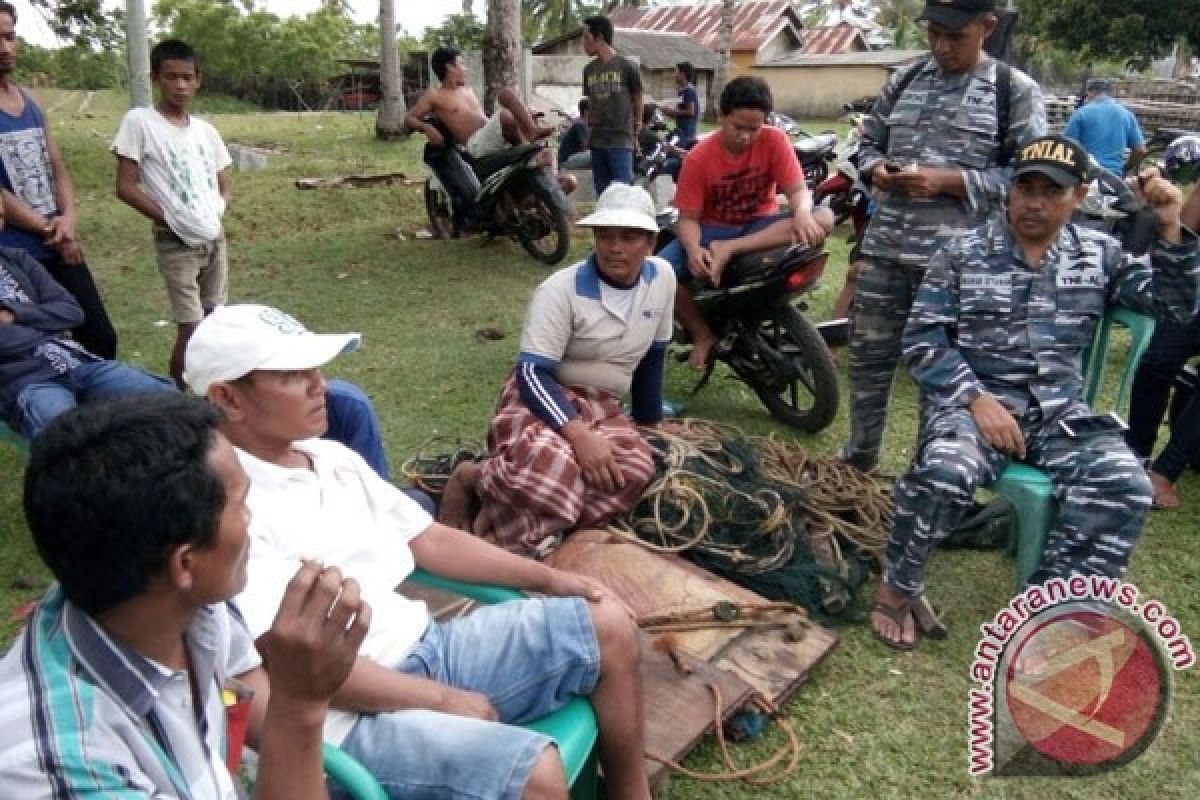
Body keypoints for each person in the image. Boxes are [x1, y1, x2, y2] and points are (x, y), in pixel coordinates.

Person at [185, 302, 652, 800]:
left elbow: (428, 539)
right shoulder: (228, 509)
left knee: (606, 626)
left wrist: (550, 579)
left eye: (315, 369)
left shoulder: (331, 457)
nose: (320, 385)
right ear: (227, 398)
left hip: (427, 647)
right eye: (294, 375)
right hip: (342, 717)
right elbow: (297, 667)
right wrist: (441, 700)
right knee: (535, 777)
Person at [870, 135, 1200, 650]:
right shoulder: (962, 251)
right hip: (975, 407)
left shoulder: (1101, 253)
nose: (1035, 201)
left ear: (1079, 195)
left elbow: (1176, 308)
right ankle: (898, 585)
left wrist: (1171, 228)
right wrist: (977, 400)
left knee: (1126, 484)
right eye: (1026, 187)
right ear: (1009, 190)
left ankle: (1051, 612)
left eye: (1052, 190)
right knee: (944, 472)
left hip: (1060, 415)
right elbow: (923, 337)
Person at [0, 393, 369, 798]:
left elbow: (243, 699)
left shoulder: (172, 603)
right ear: (186, 564)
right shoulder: (63, 766)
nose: (251, 520)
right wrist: (299, 704)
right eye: (242, 504)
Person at [841, 0, 1046, 471]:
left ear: (987, 27)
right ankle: (859, 457)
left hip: (958, 265)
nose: (941, 46)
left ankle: (928, 471)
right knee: (869, 361)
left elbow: (1028, 179)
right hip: (887, 250)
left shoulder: (1011, 90)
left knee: (943, 374)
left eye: (955, 36)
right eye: (934, 33)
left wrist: (951, 181)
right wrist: (877, 169)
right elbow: (867, 142)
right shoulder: (907, 79)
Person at [441, 184, 674, 556]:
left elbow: (653, 358)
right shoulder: (560, 290)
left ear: (651, 242)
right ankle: (473, 479)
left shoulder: (662, 279)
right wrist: (580, 437)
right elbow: (531, 374)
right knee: (556, 469)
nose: (615, 247)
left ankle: (506, 512)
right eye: (606, 236)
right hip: (540, 396)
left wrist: (649, 427)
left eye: (629, 237)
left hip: (602, 404)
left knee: (631, 472)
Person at [656, 76, 833, 368]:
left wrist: (801, 211)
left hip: (761, 225)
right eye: (738, 127)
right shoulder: (698, 158)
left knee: (823, 217)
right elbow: (688, 218)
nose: (746, 137)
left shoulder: (775, 139)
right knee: (660, 273)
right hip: (711, 228)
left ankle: (729, 248)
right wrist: (692, 249)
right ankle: (702, 335)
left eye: (754, 128)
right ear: (721, 116)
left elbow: (799, 191)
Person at [0, 2, 117, 359]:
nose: (5, 48)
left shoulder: (31, 100)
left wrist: (67, 220)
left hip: (60, 240)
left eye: (9, 37)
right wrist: (49, 230)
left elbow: (57, 166)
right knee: (36, 349)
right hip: (18, 250)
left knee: (99, 337)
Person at [113, 39, 232, 388]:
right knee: (191, 326)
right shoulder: (140, 123)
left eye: (186, 77)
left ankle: (211, 391)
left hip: (213, 237)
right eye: (171, 77)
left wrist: (217, 209)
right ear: (155, 79)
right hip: (175, 241)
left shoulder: (205, 131)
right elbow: (126, 186)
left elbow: (224, 184)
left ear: (198, 80)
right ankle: (176, 397)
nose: (180, 85)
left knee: (214, 321)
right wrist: (170, 219)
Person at [0, 243, 174, 439]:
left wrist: (15, 315)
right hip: (24, 380)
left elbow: (72, 312)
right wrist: (47, 324)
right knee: (69, 437)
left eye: (2, 216)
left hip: (76, 362)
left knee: (171, 400)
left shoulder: (15, 258)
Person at [1125, 184, 1200, 509]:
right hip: (1193, 286)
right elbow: (1186, 225)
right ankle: (1135, 452)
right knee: (1158, 361)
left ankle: (1166, 471)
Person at [405, 46, 553, 160]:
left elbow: (481, 119)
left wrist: (523, 115)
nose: (466, 69)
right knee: (505, 115)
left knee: (506, 95)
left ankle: (530, 131)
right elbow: (409, 118)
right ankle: (527, 144)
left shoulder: (468, 90)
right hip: (476, 145)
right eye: (462, 64)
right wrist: (426, 128)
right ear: (449, 67)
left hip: (491, 136)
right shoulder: (435, 95)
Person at [582, 15, 643, 196]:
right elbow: (590, 104)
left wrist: (637, 127)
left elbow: (637, 98)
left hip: (620, 140)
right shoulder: (588, 70)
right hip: (597, 141)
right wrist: (588, 132)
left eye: (586, 38)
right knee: (603, 195)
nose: (584, 43)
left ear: (599, 37)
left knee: (623, 194)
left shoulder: (627, 67)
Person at [1064, 78, 1146, 177]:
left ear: (1090, 93)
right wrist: (1125, 168)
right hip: (1114, 177)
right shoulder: (1127, 114)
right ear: (1108, 93)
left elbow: (1066, 146)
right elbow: (1140, 150)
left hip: (1086, 175)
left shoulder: (1081, 113)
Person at [659, 61, 699, 147]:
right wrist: (668, 112)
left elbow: (690, 112)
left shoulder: (689, 91)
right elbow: (681, 112)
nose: (674, 75)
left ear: (683, 74)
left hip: (686, 134)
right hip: (680, 131)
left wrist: (672, 111)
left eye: (676, 72)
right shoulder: (682, 91)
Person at [558, 97, 591, 169]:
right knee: (598, 154)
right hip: (567, 161)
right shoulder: (580, 124)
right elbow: (585, 147)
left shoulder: (584, 123)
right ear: (586, 111)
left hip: (574, 157)